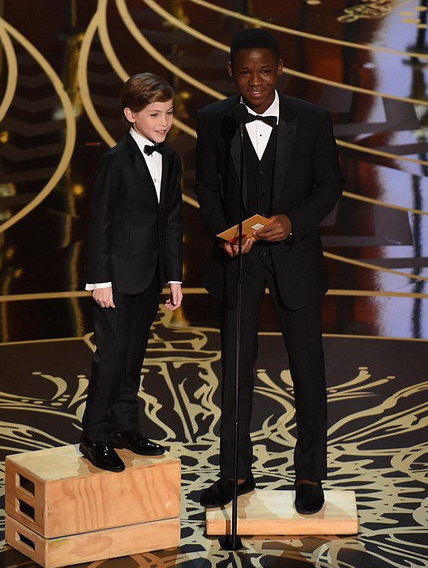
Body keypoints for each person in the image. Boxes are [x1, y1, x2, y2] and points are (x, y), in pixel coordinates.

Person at [195, 29, 344, 514]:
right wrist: (223, 233)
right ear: (231, 73)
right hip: (237, 262)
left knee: (307, 370)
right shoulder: (214, 119)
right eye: (245, 72)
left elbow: (329, 185)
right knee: (235, 373)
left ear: (280, 69)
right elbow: (207, 188)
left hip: (295, 259)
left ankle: (309, 475)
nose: (255, 82)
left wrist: (292, 222)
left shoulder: (312, 118)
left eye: (263, 71)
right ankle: (235, 473)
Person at [80, 72, 183, 473]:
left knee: (134, 355)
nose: (164, 122)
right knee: (111, 357)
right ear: (131, 115)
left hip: (149, 276)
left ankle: (125, 426)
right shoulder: (115, 160)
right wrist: (100, 280)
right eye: (154, 114)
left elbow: (171, 221)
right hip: (116, 278)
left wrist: (173, 276)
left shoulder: (170, 158)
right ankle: (94, 434)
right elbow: (100, 223)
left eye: (168, 113)